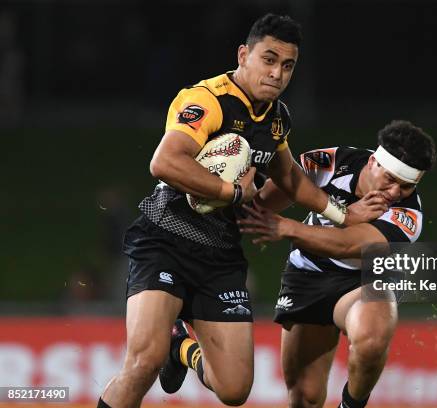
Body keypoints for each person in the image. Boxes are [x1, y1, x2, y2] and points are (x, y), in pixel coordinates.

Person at [98, 14, 382, 408]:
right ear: (243, 55)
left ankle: (181, 347)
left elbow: (290, 178)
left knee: (233, 389)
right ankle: (164, 347)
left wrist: (343, 214)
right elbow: (164, 162)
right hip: (166, 238)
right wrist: (231, 192)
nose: (277, 74)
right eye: (268, 59)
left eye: (288, 66)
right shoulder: (207, 99)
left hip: (220, 255)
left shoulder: (277, 117)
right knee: (143, 362)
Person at [167, 120, 437, 407]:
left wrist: (288, 228)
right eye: (391, 180)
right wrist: (235, 190)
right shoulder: (330, 163)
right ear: (373, 163)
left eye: (406, 186)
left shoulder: (408, 214)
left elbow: (350, 245)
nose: (395, 193)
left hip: (362, 283)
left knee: (372, 335)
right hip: (309, 276)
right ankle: (180, 347)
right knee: (304, 398)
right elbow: (262, 205)